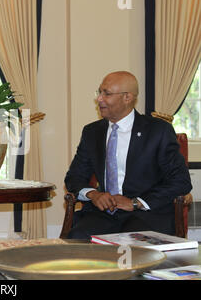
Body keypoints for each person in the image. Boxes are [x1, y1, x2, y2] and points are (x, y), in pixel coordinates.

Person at [64, 71, 192, 239]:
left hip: (145, 215)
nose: (99, 98)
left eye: (107, 93)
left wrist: (135, 203)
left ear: (127, 97)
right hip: (102, 214)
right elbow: (74, 177)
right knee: (77, 242)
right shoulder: (92, 132)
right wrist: (93, 195)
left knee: (132, 246)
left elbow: (180, 181)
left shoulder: (158, 131)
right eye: (99, 92)